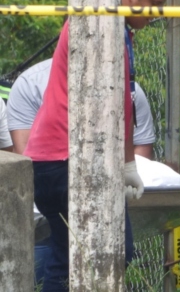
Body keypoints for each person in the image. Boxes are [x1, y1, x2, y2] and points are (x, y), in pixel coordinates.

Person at [24, 0, 172, 292]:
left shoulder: (109, 27)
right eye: (153, 4)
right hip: (66, 158)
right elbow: (117, 106)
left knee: (69, 254)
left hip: (50, 159)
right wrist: (128, 162)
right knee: (113, 251)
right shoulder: (104, 28)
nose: (156, 14)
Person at [6, 58, 158, 286]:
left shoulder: (121, 68)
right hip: (57, 167)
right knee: (88, 253)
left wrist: (128, 167)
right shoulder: (32, 82)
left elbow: (139, 144)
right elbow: (23, 153)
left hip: (79, 167)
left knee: (72, 256)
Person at [8, 58, 156, 158]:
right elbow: (25, 156)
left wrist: (128, 171)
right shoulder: (30, 84)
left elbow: (141, 153)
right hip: (51, 174)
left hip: (113, 172)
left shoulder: (128, 88)